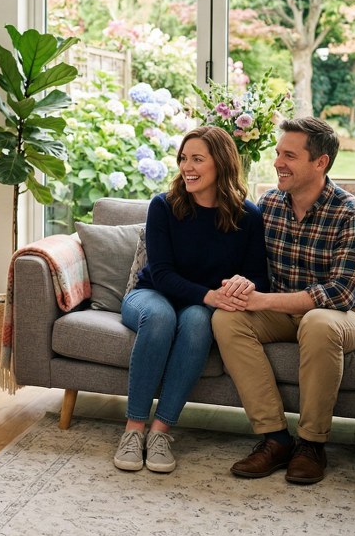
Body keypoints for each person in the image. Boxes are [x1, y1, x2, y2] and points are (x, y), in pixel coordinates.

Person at [211, 116, 355, 485]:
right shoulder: (268, 204)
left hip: (348, 317)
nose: (277, 163)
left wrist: (264, 301)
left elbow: (343, 292)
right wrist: (242, 283)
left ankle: (312, 445)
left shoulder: (352, 214)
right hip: (285, 314)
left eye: (289, 155)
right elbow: (249, 265)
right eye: (277, 153)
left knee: (318, 321)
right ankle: (274, 438)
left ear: (321, 162)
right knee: (226, 318)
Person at [114, 126, 268, 474]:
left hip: (200, 305)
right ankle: (133, 428)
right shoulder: (163, 206)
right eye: (184, 158)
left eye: (198, 159)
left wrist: (240, 285)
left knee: (199, 321)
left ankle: (160, 432)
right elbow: (163, 274)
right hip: (152, 294)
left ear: (222, 164)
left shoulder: (249, 217)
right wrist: (210, 294)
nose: (187, 167)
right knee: (160, 318)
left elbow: (258, 276)